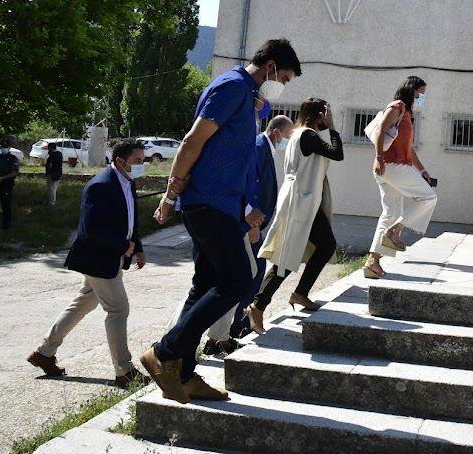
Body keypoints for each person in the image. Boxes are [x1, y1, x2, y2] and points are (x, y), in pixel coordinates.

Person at [141, 39, 300, 405]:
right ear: (271, 66)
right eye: (285, 77)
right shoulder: (231, 87)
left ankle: (181, 373)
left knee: (206, 285)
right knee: (238, 279)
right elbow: (192, 142)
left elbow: (247, 135)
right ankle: (165, 353)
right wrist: (170, 194)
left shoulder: (248, 95)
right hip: (207, 203)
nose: (285, 84)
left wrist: (258, 104)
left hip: (223, 205)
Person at [27, 139, 150, 386]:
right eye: (138, 160)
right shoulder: (100, 186)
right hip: (98, 257)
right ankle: (124, 371)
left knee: (83, 303)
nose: (142, 165)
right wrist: (122, 246)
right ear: (120, 161)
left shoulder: (128, 182)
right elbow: (92, 228)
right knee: (118, 310)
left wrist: (138, 247)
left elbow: (130, 219)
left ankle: (44, 352)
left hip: (110, 256)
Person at [245, 99, 344, 334]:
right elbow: (337, 153)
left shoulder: (300, 135)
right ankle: (258, 306)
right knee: (287, 254)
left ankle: (299, 293)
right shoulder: (308, 135)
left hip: (305, 200)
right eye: (326, 114)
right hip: (301, 201)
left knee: (316, 247)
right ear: (320, 115)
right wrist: (332, 127)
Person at [203, 115, 294, 355]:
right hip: (244, 224)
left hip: (251, 223)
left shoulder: (263, 147)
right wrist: (251, 224)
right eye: (287, 136)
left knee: (249, 274)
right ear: (276, 133)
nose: (288, 141)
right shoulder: (257, 146)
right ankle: (227, 330)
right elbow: (249, 187)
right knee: (242, 276)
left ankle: (226, 332)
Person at [364, 76, 438, 279]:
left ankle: (373, 262)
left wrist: (422, 171)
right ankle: (395, 231)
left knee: (391, 213)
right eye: (420, 92)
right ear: (411, 89)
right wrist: (379, 157)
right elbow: (380, 130)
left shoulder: (406, 113)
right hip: (390, 165)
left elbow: (409, 149)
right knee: (429, 198)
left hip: (391, 167)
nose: (422, 96)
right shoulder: (397, 106)